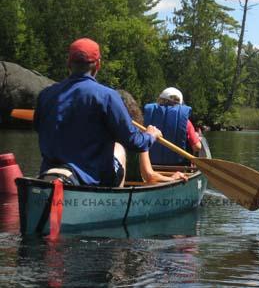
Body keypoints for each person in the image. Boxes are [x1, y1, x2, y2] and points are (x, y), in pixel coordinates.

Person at [34, 38, 162, 187]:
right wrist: (150, 136)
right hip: (90, 181)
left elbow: (37, 127)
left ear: (68, 64)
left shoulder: (46, 95)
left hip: (50, 175)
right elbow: (134, 142)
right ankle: (113, 203)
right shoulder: (107, 96)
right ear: (98, 65)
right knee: (119, 148)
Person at [118, 90, 188, 183]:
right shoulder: (140, 139)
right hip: (133, 189)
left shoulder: (100, 135)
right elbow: (150, 177)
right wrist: (173, 178)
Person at [143, 87, 202, 165]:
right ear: (180, 103)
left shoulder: (146, 119)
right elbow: (197, 147)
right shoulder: (186, 122)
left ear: (159, 100)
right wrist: (197, 137)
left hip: (150, 166)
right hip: (178, 168)